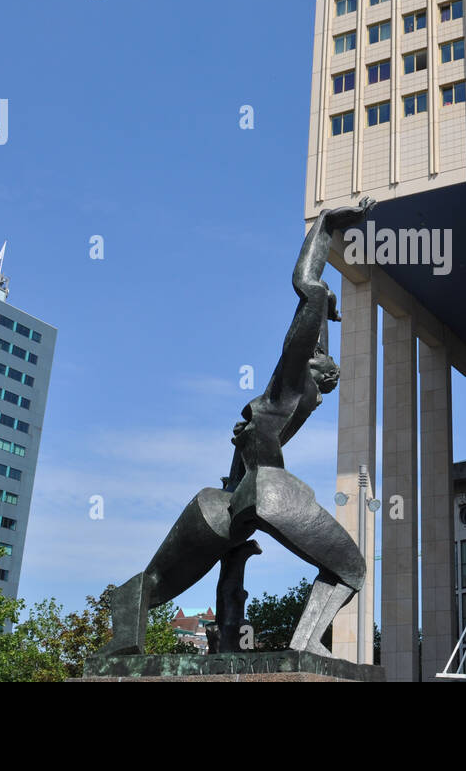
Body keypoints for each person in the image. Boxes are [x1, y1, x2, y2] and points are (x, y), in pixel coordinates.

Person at [99, 198, 376, 657]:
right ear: (314, 367)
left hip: (222, 501)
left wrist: (326, 305)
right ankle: (307, 644)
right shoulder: (293, 382)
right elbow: (306, 286)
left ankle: (126, 640)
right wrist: (327, 227)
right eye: (329, 372)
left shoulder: (293, 392)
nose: (333, 376)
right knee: (352, 569)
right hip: (267, 488)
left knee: (157, 580)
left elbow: (317, 321)